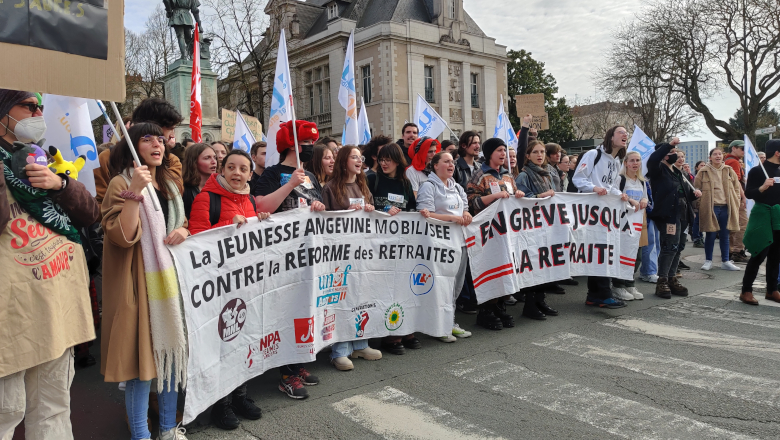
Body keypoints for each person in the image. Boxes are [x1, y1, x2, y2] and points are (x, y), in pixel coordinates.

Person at [0, 89, 100, 440]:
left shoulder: (45, 158)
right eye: (29, 105)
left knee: (54, 404)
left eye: (41, 105)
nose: (39, 111)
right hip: (11, 313)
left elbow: (90, 214)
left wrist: (60, 184)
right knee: (6, 408)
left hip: (55, 304)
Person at [102, 123, 190, 440]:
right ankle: (140, 434)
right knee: (141, 367)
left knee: (169, 354)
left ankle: (168, 428)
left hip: (170, 286)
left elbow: (180, 224)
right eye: (146, 138)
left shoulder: (168, 183)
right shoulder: (120, 182)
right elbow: (123, 236)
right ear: (131, 146)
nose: (157, 143)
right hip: (138, 288)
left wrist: (184, 230)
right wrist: (135, 193)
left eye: (159, 139)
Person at [187, 149, 269, 430]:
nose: (237, 173)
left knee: (243, 341)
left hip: (244, 286)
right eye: (231, 167)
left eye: (243, 169)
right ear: (221, 171)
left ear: (249, 174)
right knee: (221, 345)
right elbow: (198, 242)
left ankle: (240, 396)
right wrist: (227, 226)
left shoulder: (250, 201)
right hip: (218, 289)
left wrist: (261, 221)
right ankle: (220, 404)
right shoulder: (205, 199)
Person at [252, 119, 325, 399]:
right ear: (292, 145)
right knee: (283, 312)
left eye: (312, 145)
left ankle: (297, 363)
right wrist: (289, 184)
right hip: (282, 256)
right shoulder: (271, 174)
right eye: (306, 145)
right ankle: (285, 374)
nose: (311, 149)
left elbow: (317, 206)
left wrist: (319, 206)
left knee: (302, 309)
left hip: (309, 253)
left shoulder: (312, 176)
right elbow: (260, 206)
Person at [320, 147, 384, 370]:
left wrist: (370, 210)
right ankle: (340, 350)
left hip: (362, 252)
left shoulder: (363, 185)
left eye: (361, 157)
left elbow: (372, 216)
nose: (359, 160)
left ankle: (360, 343)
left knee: (361, 297)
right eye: (354, 156)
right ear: (343, 160)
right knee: (342, 300)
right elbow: (324, 222)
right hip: (340, 254)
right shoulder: (330, 188)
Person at [467, 138, 525, 330]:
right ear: (490, 153)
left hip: (506, 231)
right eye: (499, 150)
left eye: (504, 151)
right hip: (488, 232)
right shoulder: (480, 175)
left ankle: (500, 306)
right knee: (490, 268)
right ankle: (486, 310)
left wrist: (518, 196)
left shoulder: (508, 176)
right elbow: (472, 204)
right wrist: (495, 196)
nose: (503, 154)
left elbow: (514, 196)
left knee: (505, 266)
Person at [572, 126, 631, 307]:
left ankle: (594, 294)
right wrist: (594, 188)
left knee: (600, 251)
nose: (625, 135)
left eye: (626, 133)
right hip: (591, 211)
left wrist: (619, 195)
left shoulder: (616, 162)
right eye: (621, 132)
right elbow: (578, 179)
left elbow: (611, 186)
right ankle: (603, 294)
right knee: (600, 251)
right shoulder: (592, 154)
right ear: (610, 136)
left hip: (605, 213)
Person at [417, 152, 474, 341]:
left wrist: (465, 215)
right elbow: (425, 215)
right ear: (435, 165)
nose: (451, 165)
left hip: (460, 241)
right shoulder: (428, 186)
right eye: (446, 162)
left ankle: (450, 322)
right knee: (441, 285)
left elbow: (465, 208)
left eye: (452, 162)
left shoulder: (457, 187)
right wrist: (451, 218)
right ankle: (439, 325)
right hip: (439, 244)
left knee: (456, 285)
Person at [95, 98, 184, 206]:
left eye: (159, 139)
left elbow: (174, 198)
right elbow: (100, 205)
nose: (172, 135)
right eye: (169, 129)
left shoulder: (172, 161)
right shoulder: (108, 158)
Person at [515, 140, 566, 319]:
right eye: (535, 152)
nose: (539, 155)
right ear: (527, 156)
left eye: (542, 152)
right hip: (531, 227)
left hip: (546, 225)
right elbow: (521, 201)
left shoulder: (547, 174)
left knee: (545, 264)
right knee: (533, 266)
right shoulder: (523, 175)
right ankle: (530, 304)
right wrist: (540, 196)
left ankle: (540, 300)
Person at [646, 137, 701, 299]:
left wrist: (694, 194)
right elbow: (654, 158)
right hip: (668, 215)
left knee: (679, 246)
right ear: (663, 155)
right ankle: (662, 280)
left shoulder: (678, 172)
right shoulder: (657, 169)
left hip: (683, 213)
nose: (675, 154)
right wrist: (668, 145)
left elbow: (684, 192)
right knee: (670, 245)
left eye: (675, 152)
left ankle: (672, 278)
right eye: (671, 152)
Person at [740, 139, 780, 305]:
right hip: (762, 215)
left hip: (778, 216)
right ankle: (746, 291)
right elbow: (749, 193)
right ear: (777, 152)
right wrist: (762, 188)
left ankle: (772, 290)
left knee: (776, 255)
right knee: (759, 253)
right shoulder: (758, 171)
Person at [694, 148, 742, 272]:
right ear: (710, 157)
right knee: (710, 234)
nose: (718, 156)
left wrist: (736, 201)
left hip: (726, 206)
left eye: (720, 154)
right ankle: (708, 261)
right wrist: (700, 204)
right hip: (711, 207)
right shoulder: (703, 172)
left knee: (725, 235)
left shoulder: (729, 170)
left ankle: (725, 261)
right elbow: (696, 189)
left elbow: (737, 188)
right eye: (715, 154)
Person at [612, 151, 649, 300]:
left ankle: (629, 283)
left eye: (638, 160)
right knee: (623, 254)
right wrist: (629, 202)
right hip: (623, 223)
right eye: (632, 160)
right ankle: (617, 286)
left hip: (638, 222)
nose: (635, 163)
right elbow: (614, 198)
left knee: (637, 255)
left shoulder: (642, 181)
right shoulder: (620, 179)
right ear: (626, 163)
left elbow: (645, 196)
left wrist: (645, 200)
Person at [367, 143, 416, 213]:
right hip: (377, 223)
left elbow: (412, 209)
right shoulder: (372, 179)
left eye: (388, 160)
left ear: (397, 162)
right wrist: (385, 211)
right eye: (381, 160)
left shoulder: (406, 183)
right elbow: (366, 206)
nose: (383, 163)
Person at [724, 140, 750, 263]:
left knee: (733, 225)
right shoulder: (733, 161)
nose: (744, 151)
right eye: (742, 148)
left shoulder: (727, 160)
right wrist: (743, 196)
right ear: (733, 148)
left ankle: (730, 251)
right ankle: (738, 251)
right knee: (742, 224)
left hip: (730, 197)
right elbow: (736, 181)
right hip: (735, 197)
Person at [181, 143, 217, 218]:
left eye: (215, 157)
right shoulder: (183, 190)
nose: (214, 162)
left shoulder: (220, 186)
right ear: (194, 161)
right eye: (207, 158)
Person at [639, 182, 661, 283]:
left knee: (656, 243)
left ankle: (648, 271)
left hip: (657, 213)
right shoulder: (645, 179)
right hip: (649, 214)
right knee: (650, 244)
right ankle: (649, 271)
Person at [691, 161, 707, 247]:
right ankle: (696, 239)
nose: (703, 167)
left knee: (701, 221)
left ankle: (700, 238)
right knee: (696, 221)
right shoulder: (695, 177)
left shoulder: (706, 176)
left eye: (705, 165)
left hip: (704, 202)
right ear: (697, 167)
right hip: (697, 202)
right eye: (701, 165)